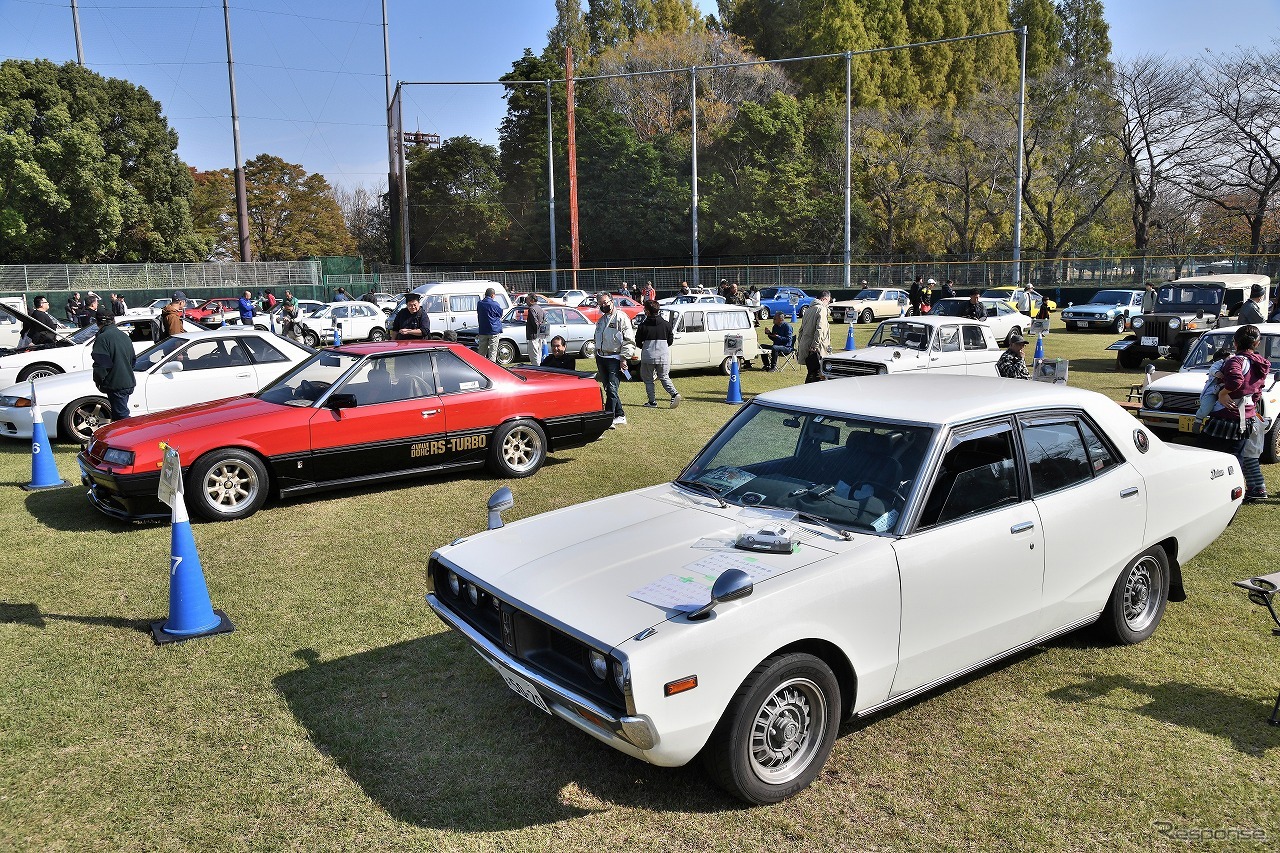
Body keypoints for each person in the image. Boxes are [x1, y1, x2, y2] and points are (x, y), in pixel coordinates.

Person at [1199, 324, 1271, 502]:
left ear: (1235, 342)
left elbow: (1236, 380)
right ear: (1257, 343)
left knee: (1205, 455)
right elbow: (1257, 392)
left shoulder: (1235, 361)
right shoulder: (1260, 364)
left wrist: (1223, 393)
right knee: (1236, 460)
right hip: (1245, 418)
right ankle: (1233, 494)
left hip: (1225, 416)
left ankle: (1212, 493)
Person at [592, 292, 636, 427]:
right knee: (609, 388)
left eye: (605, 302)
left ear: (612, 301)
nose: (603, 305)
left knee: (612, 388)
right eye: (600, 303)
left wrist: (624, 358)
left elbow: (629, 340)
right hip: (601, 357)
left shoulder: (621, 317)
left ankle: (608, 418)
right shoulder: (601, 320)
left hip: (615, 358)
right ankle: (620, 415)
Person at [90, 309, 136, 423]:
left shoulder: (102, 338)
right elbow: (133, 360)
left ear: (97, 322)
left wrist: (99, 381)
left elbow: (101, 365)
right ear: (114, 320)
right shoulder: (124, 336)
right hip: (127, 382)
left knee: (122, 417)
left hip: (116, 384)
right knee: (118, 415)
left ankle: (130, 438)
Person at [634, 300, 680, 409]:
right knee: (664, 377)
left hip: (648, 356)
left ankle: (652, 402)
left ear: (648, 311)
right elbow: (670, 341)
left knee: (648, 380)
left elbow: (638, 341)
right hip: (663, 355)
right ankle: (674, 393)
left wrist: (645, 347)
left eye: (645, 309)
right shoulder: (666, 325)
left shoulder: (643, 326)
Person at [795, 290, 832, 383]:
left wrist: (801, 344)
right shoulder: (821, 309)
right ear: (824, 299)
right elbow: (820, 329)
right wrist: (815, 345)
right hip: (816, 347)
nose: (828, 303)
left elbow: (801, 330)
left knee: (811, 371)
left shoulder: (808, 310)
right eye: (828, 301)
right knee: (819, 373)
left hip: (806, 344)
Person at [1194, 345, 1236, 422]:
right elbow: (1212, 369)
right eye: (1230, 356)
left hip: (1224, 390)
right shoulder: (1219, 363)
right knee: (1207, 405)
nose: (1233, 358)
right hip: (1212, 390)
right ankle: (1199, 419)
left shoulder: (1234, 364)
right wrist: (1216, 372)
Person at [476, 287, 504, 361]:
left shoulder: (480, 303)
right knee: (492, 352)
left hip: (483, 330)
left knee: (481, 352)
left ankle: (480, 368)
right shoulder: (495, 304)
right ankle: (491, 369)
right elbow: (500, 314)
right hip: (494, 330)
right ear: (492, 295)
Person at [524, 294, 549, 366]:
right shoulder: (539, 308)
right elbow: (544, 321)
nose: (526, 302)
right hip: (540, 336)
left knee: (534, 357)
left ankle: (537, 371)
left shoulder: (532, 309)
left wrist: (537, 328)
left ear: (532, 300)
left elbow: (535, 323)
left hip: (533, 336)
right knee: (539, 355)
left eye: (527, 300)